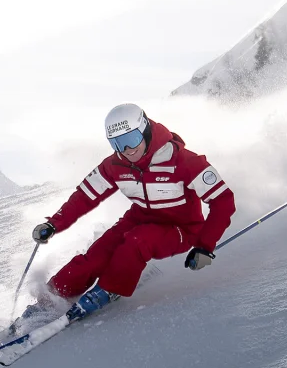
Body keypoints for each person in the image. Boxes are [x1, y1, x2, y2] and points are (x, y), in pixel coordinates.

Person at [19, 103, 236, 326]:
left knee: (136, 242)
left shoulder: (185, 161)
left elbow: (223, 200)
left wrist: (204, 246)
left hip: (181, 228)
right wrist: (54, 224)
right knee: (97, 254)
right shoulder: (115, 164)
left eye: (131, 139)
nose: (127, 150)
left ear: (145, 130)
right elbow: (85, 195)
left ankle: (108, 290)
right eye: (117, 144)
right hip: (139, 218)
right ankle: (51, 299)